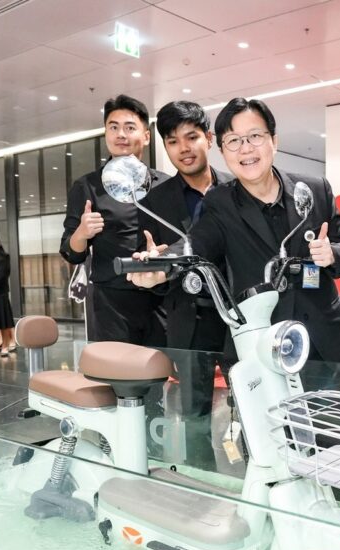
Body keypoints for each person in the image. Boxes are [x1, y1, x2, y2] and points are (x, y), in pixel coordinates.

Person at [128, 97, 340, 386]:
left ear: (274, 140)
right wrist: (161, 266)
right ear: (222, 150)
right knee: (264, 417)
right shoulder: (221, 202)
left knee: (331, 417)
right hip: (260, 345)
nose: (246, 148)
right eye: (234, 141)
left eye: (255, 136)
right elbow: (196, 244)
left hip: (323, 343)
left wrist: (333, 253)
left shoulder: (313, 188)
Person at [136, 100, 233, 469]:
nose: (184, 148)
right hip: (189, 321)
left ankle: (258, 486)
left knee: (252, 405)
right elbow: (156, 276)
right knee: (194, 415)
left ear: (208, 138)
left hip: (238, 317)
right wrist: (155, 270)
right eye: (173, 141)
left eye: (191, 137)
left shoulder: (236, 189)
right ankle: (202, 485)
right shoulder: (153, 203)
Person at [60, 94, 168, 344]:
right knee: (118, 369)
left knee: (165, 367)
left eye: (130, 127)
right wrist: (81, 233)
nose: (121, 134)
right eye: (113, 127)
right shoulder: (88, 186)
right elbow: (71, 252)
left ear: (146, 136)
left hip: (162, 299)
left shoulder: (166, 184)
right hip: (112, 306)